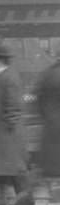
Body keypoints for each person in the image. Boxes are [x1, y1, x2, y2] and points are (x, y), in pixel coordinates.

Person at [0, 40, 31, 205]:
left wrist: (10, 125)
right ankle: (19, 199)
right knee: (10, 166)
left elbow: (14, 106)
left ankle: (25, 198)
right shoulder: (0, 76)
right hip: (0, 131)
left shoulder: (9, 77)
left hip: (7, 132)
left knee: (15, 166)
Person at [33, 51, 60, 187]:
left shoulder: (47, 74)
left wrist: (46, 115)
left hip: (51, 125)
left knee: (52, 168)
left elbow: (38, 99)